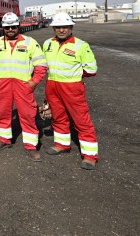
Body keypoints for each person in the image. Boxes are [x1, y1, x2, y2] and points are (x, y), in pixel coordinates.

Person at [0, 12, 48, 161]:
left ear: (18, 26)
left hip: (23, 85)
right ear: (3, 27)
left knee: (28, 113)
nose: (10, 30)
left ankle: (31, 145)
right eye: (7, 27)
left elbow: (41, 65)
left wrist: (33, 83)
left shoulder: (30, 42)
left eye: (13, 26)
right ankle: (4, 139)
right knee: (2, 112)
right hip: (3, 85)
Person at [42, 13, 99, 170]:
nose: (61, 30)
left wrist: (74, 77)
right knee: (58, 117)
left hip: (72, 87)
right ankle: (62, 144)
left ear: (71, 27)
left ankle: (89, 156)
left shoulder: (81, 45)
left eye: (64, 27)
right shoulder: (47, 43)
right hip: (52, 85)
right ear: (53, 28)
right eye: (58, 27)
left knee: (81, 120)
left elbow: (91, 69)